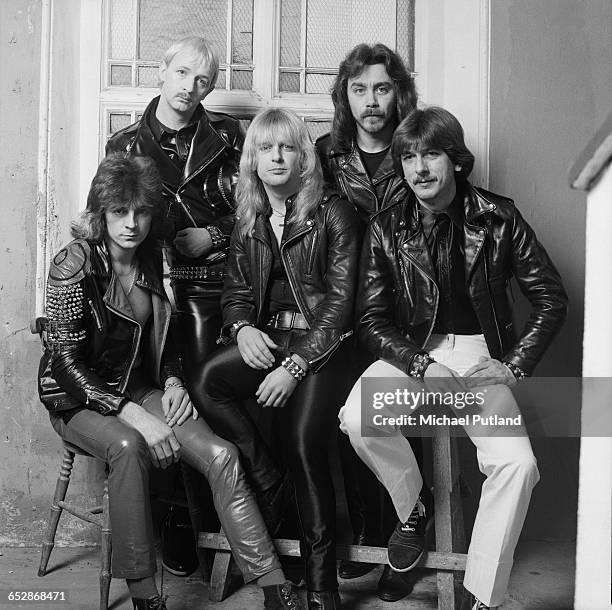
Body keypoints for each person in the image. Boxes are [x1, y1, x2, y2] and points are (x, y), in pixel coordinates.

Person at [37, 154, 303, 610]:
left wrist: (176, 381)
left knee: (221, 456)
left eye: (141, 212)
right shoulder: (73, 264)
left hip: (140, 387)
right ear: (100, 212)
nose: (131, 224)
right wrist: (131, 413)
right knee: (128, 446)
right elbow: (64, 362)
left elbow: (169, 337)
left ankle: (275, 588)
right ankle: (146, 596)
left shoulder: (154, 258)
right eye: (120, 211)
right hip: (77, 398)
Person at [339, 106, 568, 609]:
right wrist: (423, 366)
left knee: (517, 465)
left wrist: (514, 365)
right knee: (357, 417)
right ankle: (413, 507)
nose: (419, 168)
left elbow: (551, 297)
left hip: (483, 357)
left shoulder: (500, 217)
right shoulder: (386, 227)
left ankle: (485, 595)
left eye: (431, 155)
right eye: (409, 158)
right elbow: (372, 321)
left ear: (456, 161)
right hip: (413, 355)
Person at [197, 108, 361, 610]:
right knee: (208, 382)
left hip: (324, 348)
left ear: (302, 157)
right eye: (266, 148)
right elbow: (236, 291)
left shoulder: (335, 210)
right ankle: (268, 478)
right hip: (268, 340)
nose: (276, 156)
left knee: (302, 443)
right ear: (252, 160)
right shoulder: (249, 217)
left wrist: (295, 366)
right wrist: (242, 327)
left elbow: (340, 305)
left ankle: (320, 587)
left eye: (287, 147)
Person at [106, 36, 243, 575]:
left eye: (203, 80)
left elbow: (261, 210)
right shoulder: (124, 143)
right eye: (182, 74)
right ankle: (179, 525)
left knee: (210, 401)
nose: (190, 88)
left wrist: (214, 233)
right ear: (161, 72)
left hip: (216, 287)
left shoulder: (231, 136)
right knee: (163, 403)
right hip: (153, 291)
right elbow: (107, 218)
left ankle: (218, 526)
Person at [315, 43, 421, 601]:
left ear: (397, 93)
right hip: (338, 311)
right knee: (342, 417)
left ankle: (409, 534)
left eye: (382, 88)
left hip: (406, 317)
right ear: (345, 96)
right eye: (360, 90)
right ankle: (366, 532)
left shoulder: (421, 150)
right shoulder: (325, 157)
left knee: (399, 415)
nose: (371, 101)